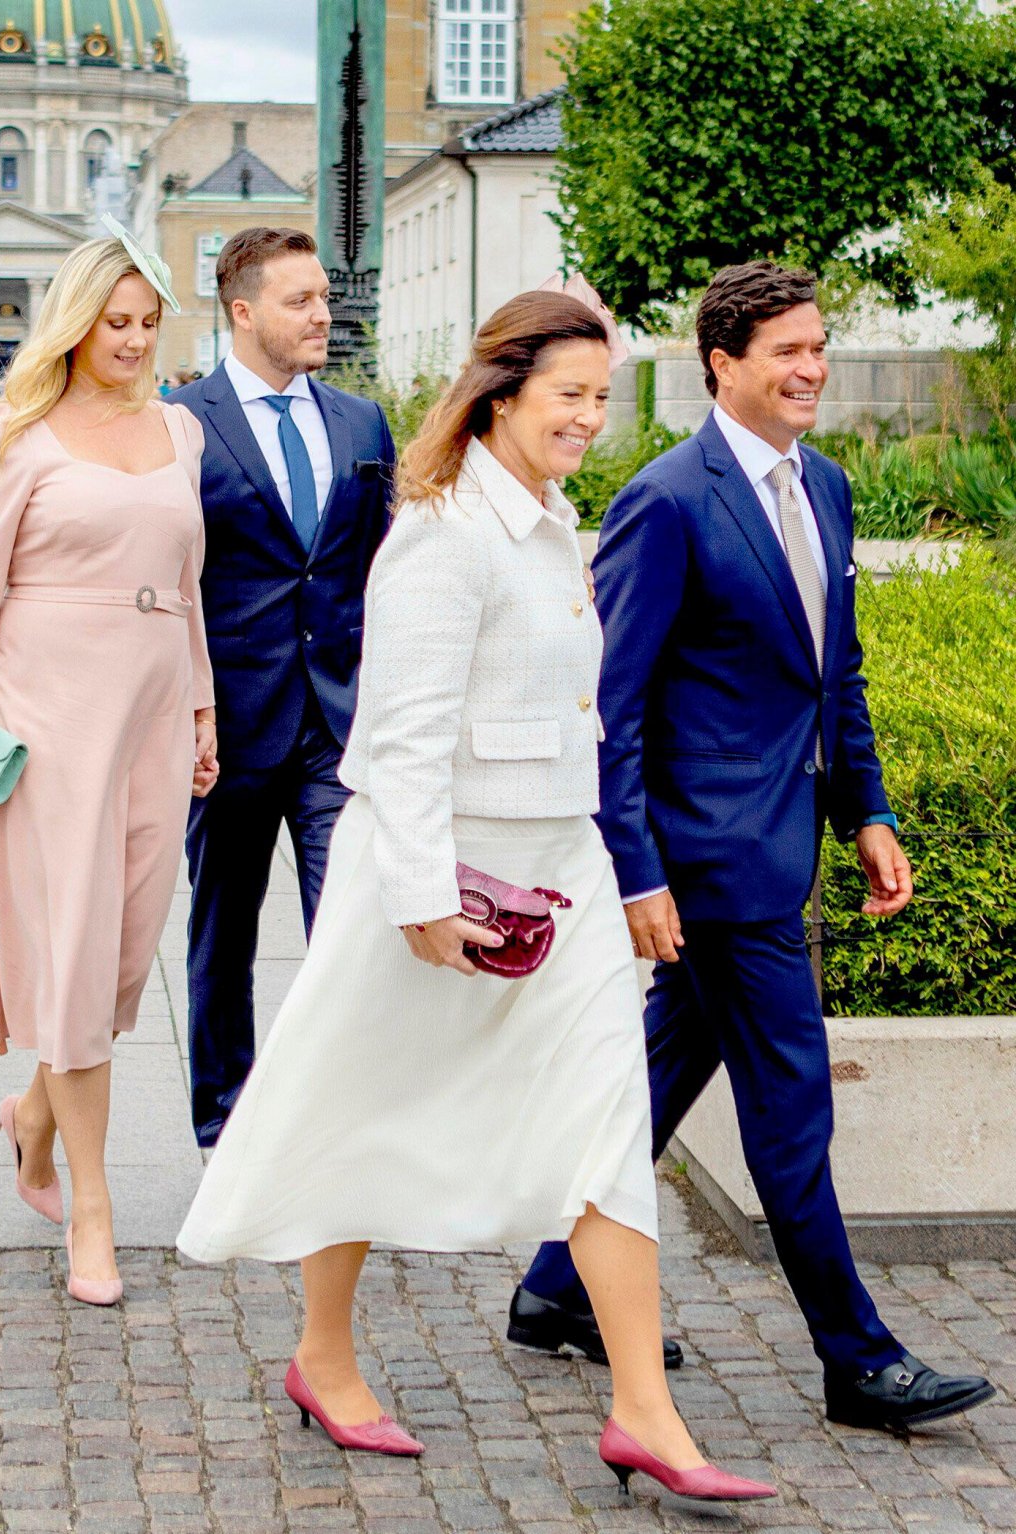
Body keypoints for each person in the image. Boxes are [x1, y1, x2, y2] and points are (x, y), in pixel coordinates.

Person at [178, 292, 777, 1504]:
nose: (590, 420)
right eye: (570, 395)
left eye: (603, 399)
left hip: (563, 880)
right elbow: (395, 742)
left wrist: (613, 867)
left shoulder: (555, 525)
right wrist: (419, 900)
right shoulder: (443, 534)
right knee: (360, 1107)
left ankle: (644, 1413)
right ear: (501, 392)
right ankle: (323, 1356)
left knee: (611, 1124)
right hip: (438, 881)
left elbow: (578, 717)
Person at [511, 262, 996, 1436]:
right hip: (711, 865)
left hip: (786, 839)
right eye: (786, 350)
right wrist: (638, 873)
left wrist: (868, 811)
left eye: (818, 346)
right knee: (791, 1107)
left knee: (658, 1073)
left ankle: (553, 1288)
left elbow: (838, 676)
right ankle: (856, 1358)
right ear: (722, 363)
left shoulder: (824, 486)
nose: (811, 367)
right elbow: (607, 711)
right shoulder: (670, 500)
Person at [0, 227, 217, 1306]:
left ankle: (34, 1115)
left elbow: (185, 584)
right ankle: (90, 1211)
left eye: (148, 323)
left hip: (150, 700)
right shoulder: (15, 433)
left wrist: (200, 706)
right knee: (75, 950)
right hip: (48, 706)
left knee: (126, 949)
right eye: (117, 323)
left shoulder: (179, 431)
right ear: (75, 323)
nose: (135, 342)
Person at [170, 228, 394, 1149]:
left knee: (347, 932)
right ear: (243, 311)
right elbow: (167, 578)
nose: (321, 314)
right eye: (300, 300)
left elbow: (387, 566)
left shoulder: (360, 423)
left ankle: (341, 1123)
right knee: (222, 938)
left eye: (324, 298)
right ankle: (225, 1125)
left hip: (337, 727)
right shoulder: (181, 424)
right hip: (224, 728)